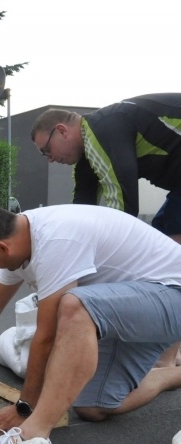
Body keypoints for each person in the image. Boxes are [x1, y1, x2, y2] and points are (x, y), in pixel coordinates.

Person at [0, 204, 181, 444]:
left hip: (172, 296)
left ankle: (36, 430)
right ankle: (171, 376)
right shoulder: (19, 239)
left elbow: (47, 336)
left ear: (1, 248)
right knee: (93, 407)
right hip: (132, 312)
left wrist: (25, 407)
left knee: (74, 306)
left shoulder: (57, 241)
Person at [32, 93, 181, 366]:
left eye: (46, 150)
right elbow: (80, 213)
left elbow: (121, 205)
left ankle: (167, 358)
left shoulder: (102, 127)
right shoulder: (90, 154)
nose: (50, 160)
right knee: (166, 246)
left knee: (168, 251)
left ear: (62, 131)